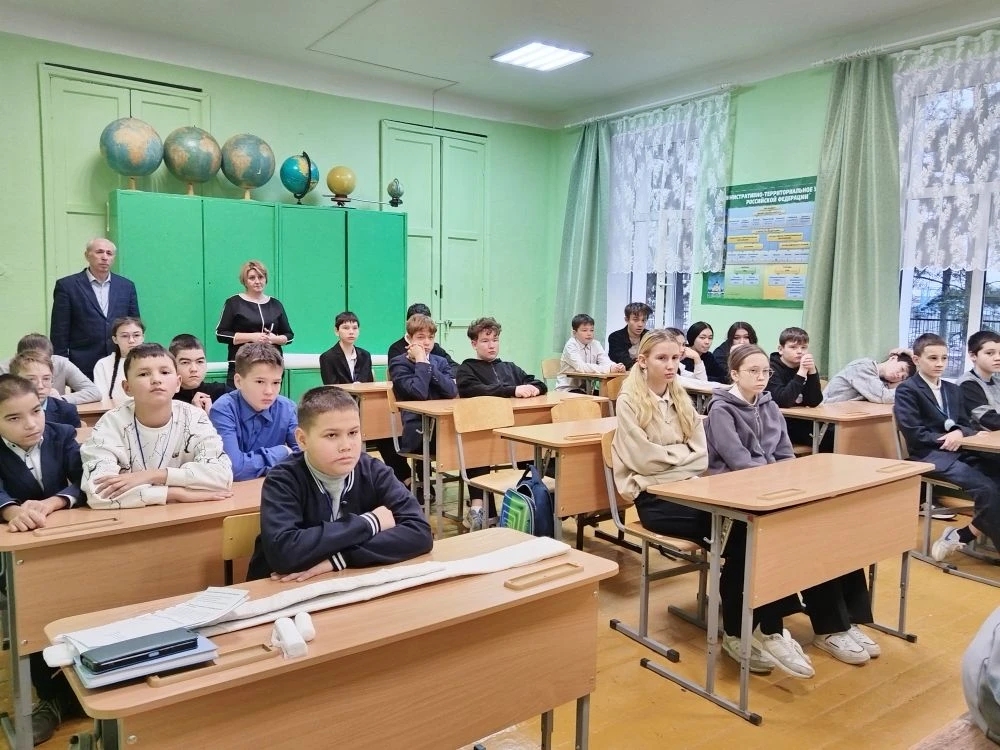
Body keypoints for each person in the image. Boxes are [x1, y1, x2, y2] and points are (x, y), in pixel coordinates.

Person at [706, 344, 880, 675]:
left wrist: (791, 482)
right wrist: (777, 483)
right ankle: (787, 628)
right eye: (753, 371)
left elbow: (786, 452)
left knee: (828, 529)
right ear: (734, 374)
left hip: (775, 490)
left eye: (765, 372)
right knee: (793, 539)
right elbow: (740, 462)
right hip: (739, 496)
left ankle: (842, 623)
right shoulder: (721, 410)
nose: (761, 377)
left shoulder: (769, 405)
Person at [246, 386, 433, 580]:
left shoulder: (375, 471)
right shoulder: (282, 480)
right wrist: (370, 522)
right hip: (279, 589)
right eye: (332, 435)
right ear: (302, 440)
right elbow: (284, 553)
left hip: (345, 582)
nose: (346, 446)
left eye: (353, 433)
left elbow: (420, 533)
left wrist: (341, 559)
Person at [0, 374, 84, 743]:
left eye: (36, 411)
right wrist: (11, 510)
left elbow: (86, 480)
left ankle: (86, 682)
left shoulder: (62, 434)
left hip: (68, 543)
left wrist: (54, 502)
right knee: (34, 608)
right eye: (14, 418)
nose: (31, 423)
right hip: (19, 556)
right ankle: (51, 698)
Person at [81, 343, 234, 509]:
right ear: (127, 387)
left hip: (185, 513)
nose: (156, 380)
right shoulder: (110, 424)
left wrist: (153, 476)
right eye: (143, 374)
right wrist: (175, 494)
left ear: (178, 383)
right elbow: (97, 492)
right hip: (129, 519)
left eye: (165, 372)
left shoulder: (195, 418)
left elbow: (222, 476)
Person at [894, 332, 1000, 561]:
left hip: (961, 450)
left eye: (944, 358)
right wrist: (946, 438)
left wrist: (962, 433)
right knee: (987, 490)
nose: (940, 364)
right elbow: (914, 433)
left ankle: (961, 535)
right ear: (916, 359)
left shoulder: (952, 389)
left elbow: (965, 423)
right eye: (933, 358)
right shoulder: (907, 390)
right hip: (930, 455)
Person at [610, 329, 709, 546]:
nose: (671, 365)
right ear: (643, 361)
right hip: (652, 498)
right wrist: (684, 454)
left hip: (685, 488)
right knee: (720, 524)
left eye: (675, 358)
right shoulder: (628, 401)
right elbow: (644, 462)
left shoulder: (682, 399)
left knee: (738, 522)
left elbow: (702, 459)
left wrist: (666, 461)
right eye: (662, 358)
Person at [456, 317, 547, 529]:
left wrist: (535, 388)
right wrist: (512, 390)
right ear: (474, 344)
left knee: (533, 450)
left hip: (514, 434)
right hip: (484, 432)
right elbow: (473, 390)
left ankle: (532, 504)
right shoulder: (467, 368)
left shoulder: (509, 367)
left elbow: (536, 382)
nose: (491, 345)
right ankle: (478, 509)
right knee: (476, 447)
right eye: (485, 341)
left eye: (495, 340)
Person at [321, 312, 412, 484]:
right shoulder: (327, 357)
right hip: (342, 411)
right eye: (346, 328)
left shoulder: (365, 355)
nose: (351, 332)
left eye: (355, 328)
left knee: (387, 433)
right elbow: (331, 389)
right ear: (336, 331)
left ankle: (406, 479)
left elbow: (368, 383)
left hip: (365, 410)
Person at [49, 237, 140, 380]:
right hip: (82, 362)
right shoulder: (67, 286)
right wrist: (61, 367)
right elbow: (59, 331)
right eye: (99, 252)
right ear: (87, 255)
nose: (105, 257)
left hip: (119, 360)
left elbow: (135, 324)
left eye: (109, 253)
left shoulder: (126, 286)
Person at [209, 343, 299, 481]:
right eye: (260, 382)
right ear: (238, 381)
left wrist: (251, 465)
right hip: (234, 491)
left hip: (274, 487)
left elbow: (305, 458)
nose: (269, 391)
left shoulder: (287, 408)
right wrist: (283, 452)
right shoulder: (223, 410)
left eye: (276, 383)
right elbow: (233, 468)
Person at [215, 259, 294, 386]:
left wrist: (274, 339)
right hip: (243, 365)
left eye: (261, 277)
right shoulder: (234, 303)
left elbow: (289, 335)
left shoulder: (276, 304)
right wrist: (252, 337)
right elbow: (221, 334)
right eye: (252, 278)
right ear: (245, 281)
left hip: (272, 364)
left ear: (266, 279)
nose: (257, 281)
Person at [389, 313, 457, 454]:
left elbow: (451, 391)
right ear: (409, 339)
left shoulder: (440, 361)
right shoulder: (399, 363)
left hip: (443, 425)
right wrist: (421, 360)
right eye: (421, 337)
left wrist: (427, 364)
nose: (426, 342)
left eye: (430, 338)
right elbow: (418, 393)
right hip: (419, 430)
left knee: (469, 438)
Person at [0, 333, 100, 404]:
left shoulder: (61, 363)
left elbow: (94, 391)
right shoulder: (4, 368)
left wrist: (60, 399)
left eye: (43, 360)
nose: (40, 386)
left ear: (51, 357)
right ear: (18, 358)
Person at [766, 326, 824, 448]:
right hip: (781, 424)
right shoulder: (770, 369)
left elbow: (814, 401)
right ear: (781, 349)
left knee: (838, 434)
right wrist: (802, 372)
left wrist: (812, 372)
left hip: (805, 421)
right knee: (830, 440)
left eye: (804, 347)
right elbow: (784, 401)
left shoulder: (806, 366)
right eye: (793, 347)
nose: (800, 351)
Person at [8, 351, 81, 428]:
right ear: (14, 381)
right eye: (31, 379)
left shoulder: (67, 411)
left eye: (46, 379)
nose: (40, 386)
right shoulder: (4, 411)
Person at [556, 313, 625, 392]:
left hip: (587, 390)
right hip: (568, 389)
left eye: (591, 330)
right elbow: (581, 367)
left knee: (611, 394)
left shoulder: (596, 344)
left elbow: (605, 360)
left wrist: (616, 366)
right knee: (596, 397)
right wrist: (609, 369)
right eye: (584, 330)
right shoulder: (570, 346)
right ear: (574, 333)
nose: (589, 333)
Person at [387, 303, 458, 375]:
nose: (427, 342)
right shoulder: (396, 349)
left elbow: (454, 367)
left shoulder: (434, 347)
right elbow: (399, 375)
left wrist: (444, 375)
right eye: (420, 337)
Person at [169, 334, 233, 413]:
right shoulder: (167, 399)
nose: (194, 369)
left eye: (200, 362)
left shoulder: (223, 393)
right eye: (185, 362)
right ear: (172, 365)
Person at [823, 351, 915, 404]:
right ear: (893, 358)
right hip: (824, 419)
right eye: (902, 369)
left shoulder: (880, 381)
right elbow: (885, 397)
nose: (899, 375)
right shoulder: (864, 367)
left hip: (842, 418)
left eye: (902, 377)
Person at [92, 317, 145, 404]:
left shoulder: (153, 361)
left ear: (143, 337)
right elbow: (102, 400)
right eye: (125, 336)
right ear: (115, 339)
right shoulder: (103, 364)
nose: (131, 340)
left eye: (136, 335)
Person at [958, 330, 1000, 431]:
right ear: (973, 356)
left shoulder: (997, 381)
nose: (998, 358)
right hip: (980, 439)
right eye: (990, 353)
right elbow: (989, 420)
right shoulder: (967, 384)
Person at [608, 302, 652, 370]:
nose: (640, 324)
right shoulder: (615, 337)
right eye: (635, 320)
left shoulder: (649, 336)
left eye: (643, 320)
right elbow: (622, 360)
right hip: (622, 374)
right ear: (626, 320)